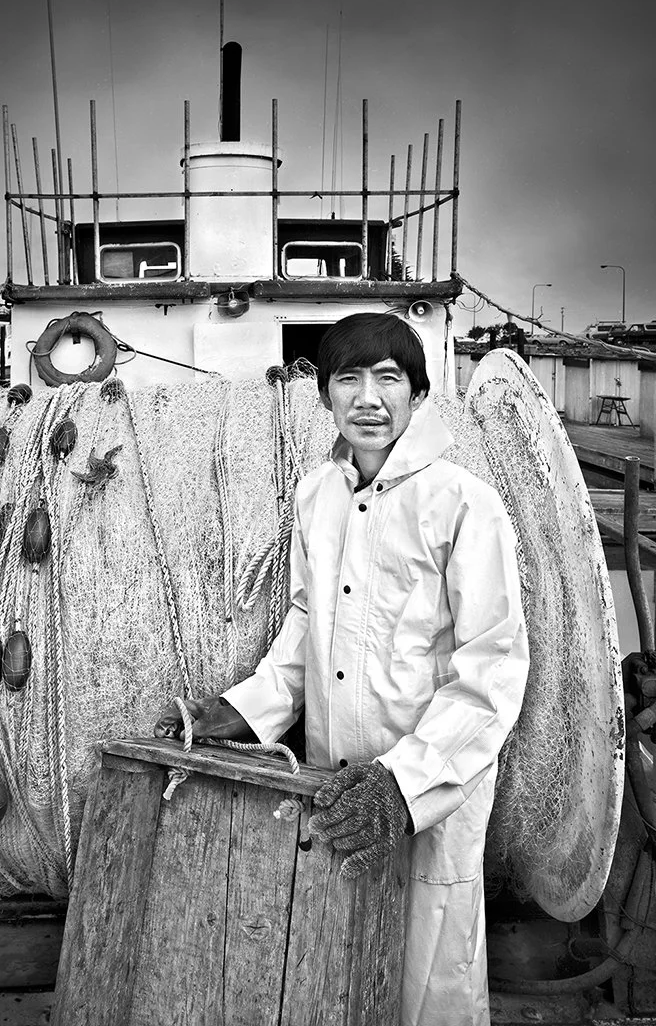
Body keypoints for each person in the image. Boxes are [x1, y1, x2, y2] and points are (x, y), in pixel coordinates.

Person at [154, 311, 529, 1026]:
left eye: (388, 378)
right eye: (348, 379)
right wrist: (244, 710)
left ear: (419, 394)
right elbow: (306, 625)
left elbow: (493, 667)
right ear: (325, 394)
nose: (368, 398)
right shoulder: (316, 494)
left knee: (426, 977)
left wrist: (404, 784)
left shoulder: (464, 504)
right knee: (337, 966)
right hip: (336, 784)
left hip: (430, 791)